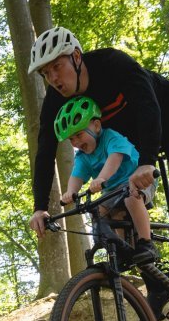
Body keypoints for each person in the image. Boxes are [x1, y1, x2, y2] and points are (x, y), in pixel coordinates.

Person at [27, 26, 169, 318]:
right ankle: (157, 282)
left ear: (76, 57)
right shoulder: (55, 100)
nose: (53, 78)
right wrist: (40, 206)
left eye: (57, 67)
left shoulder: (112, 64)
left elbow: (147, 105)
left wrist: (147, 160)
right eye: (45, 74)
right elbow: (45, 150)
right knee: (116, 211)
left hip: (166, 110)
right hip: (126, 138)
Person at [55, 95, 158, 263]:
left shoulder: (111, 137)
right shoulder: (82, 156)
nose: (75, 142)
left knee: (132, 199)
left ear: (96, 126)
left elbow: (114, 158)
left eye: (79, 135)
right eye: (71, 139)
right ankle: (121, 249)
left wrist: (101, 177)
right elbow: (77, 176)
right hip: (113, 191)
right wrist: (70, 192)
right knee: (98, 210)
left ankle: (146, 243)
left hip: (138, 179)